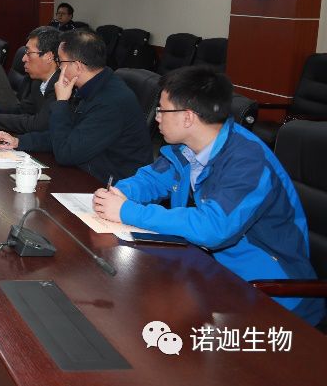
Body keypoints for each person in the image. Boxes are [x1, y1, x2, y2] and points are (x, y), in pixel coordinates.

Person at [92, 66, 325, 326]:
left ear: (187, 117)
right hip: (212, 273)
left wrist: (127, 211)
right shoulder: (187, 147)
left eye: (162, 110)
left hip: (271, 296)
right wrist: (121, 192)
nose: (157, 117)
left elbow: (213, 228)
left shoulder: (248, 162)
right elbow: (152, 179)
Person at [0, 29, 151, 181]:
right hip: (87, 170)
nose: (59, 67)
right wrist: (19, 141)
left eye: (61, 62)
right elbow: (64, 134)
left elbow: (66, 153)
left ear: (78, 66)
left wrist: (61, 102)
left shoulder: (110, 101)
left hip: (114, 186)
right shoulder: (91, 86)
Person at [0, 26, 60, 133]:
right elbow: (23, 110)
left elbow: (39, 124)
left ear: (48, 56)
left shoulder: (61, 85)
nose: (23, 58)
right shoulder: (38, 82)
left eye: (28, 53)